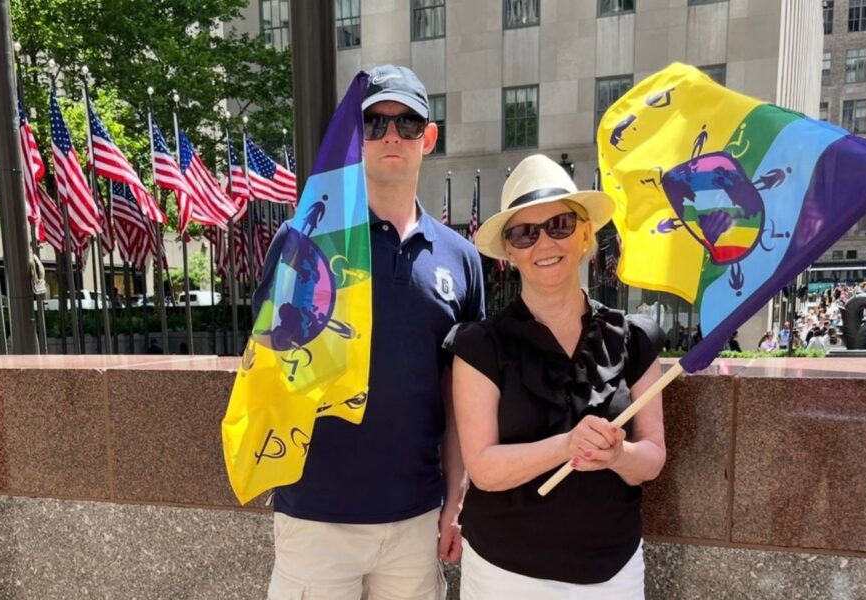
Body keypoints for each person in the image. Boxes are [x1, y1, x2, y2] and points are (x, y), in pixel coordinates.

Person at [263, 65, 485, 599]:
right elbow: (270, 364)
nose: (391, 135)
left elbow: (463, 398)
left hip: (415, 519)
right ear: (355, 137)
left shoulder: (463, 259)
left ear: (427, 138)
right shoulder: (305, 242)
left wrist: (455, 500)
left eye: (407, 123)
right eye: (375, 123)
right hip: (316, 517)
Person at [443, 154, 666, 598]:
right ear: (509, 250)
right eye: (525, 233)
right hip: (504, 575)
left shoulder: (634, 338)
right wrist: (567, 445)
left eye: (560, 225)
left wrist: (617, 454)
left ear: (585, 235)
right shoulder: (480, 347)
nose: (544, 243)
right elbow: (483, 468)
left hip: (614, 574)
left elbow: (652, 458)